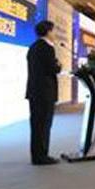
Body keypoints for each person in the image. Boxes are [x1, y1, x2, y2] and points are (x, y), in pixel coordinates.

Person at [25, 20, 62, 166]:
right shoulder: (47, 48)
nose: (54, 33)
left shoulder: (33, 47)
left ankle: (37, 155)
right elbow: (52, 68)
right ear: (48, 31)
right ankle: (42, 156)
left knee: (36, 125)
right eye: (53, 30)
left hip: (34, 91)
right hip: (44, 92)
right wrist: (58, 65)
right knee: (44, 125)